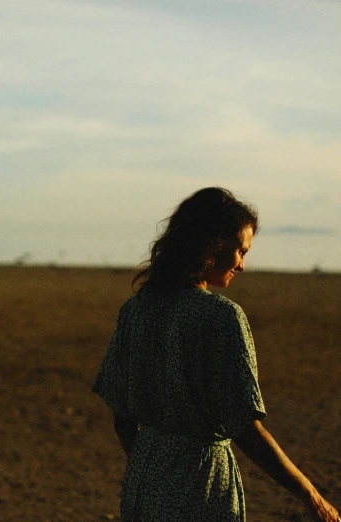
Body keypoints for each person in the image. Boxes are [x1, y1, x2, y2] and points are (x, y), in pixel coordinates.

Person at [92, 187, 339, 521]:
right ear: (213, 244)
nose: (242, 265)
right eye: (240, 250)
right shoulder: (222, 316)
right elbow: (245, 428)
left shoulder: (135, 310)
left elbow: (121, 414)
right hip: (202, 485)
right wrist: (310, 495)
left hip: (144, 480)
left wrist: (154, 464)